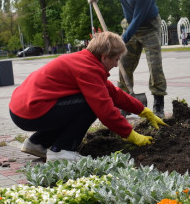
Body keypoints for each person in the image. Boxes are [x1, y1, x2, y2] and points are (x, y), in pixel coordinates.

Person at [9, 32, 167, 162]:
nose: (115, 64)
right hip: (32, 111)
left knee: (75, 105)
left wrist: (144, 111)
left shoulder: (84, 61)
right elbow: (105, 111)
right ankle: (62, 151)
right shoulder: (88, 69)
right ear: (105, 57)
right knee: (90, 104)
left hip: (23, 109)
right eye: (116, 60)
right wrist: (131, 134)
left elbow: (113, 93)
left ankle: (37, 142)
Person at [87, 0, 167, 117]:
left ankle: (158, 104)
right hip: (129, 24)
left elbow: (137, 21)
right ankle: (124, 102)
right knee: (123, 63)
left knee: (155, 65)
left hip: (148, 27)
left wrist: (119, 41)